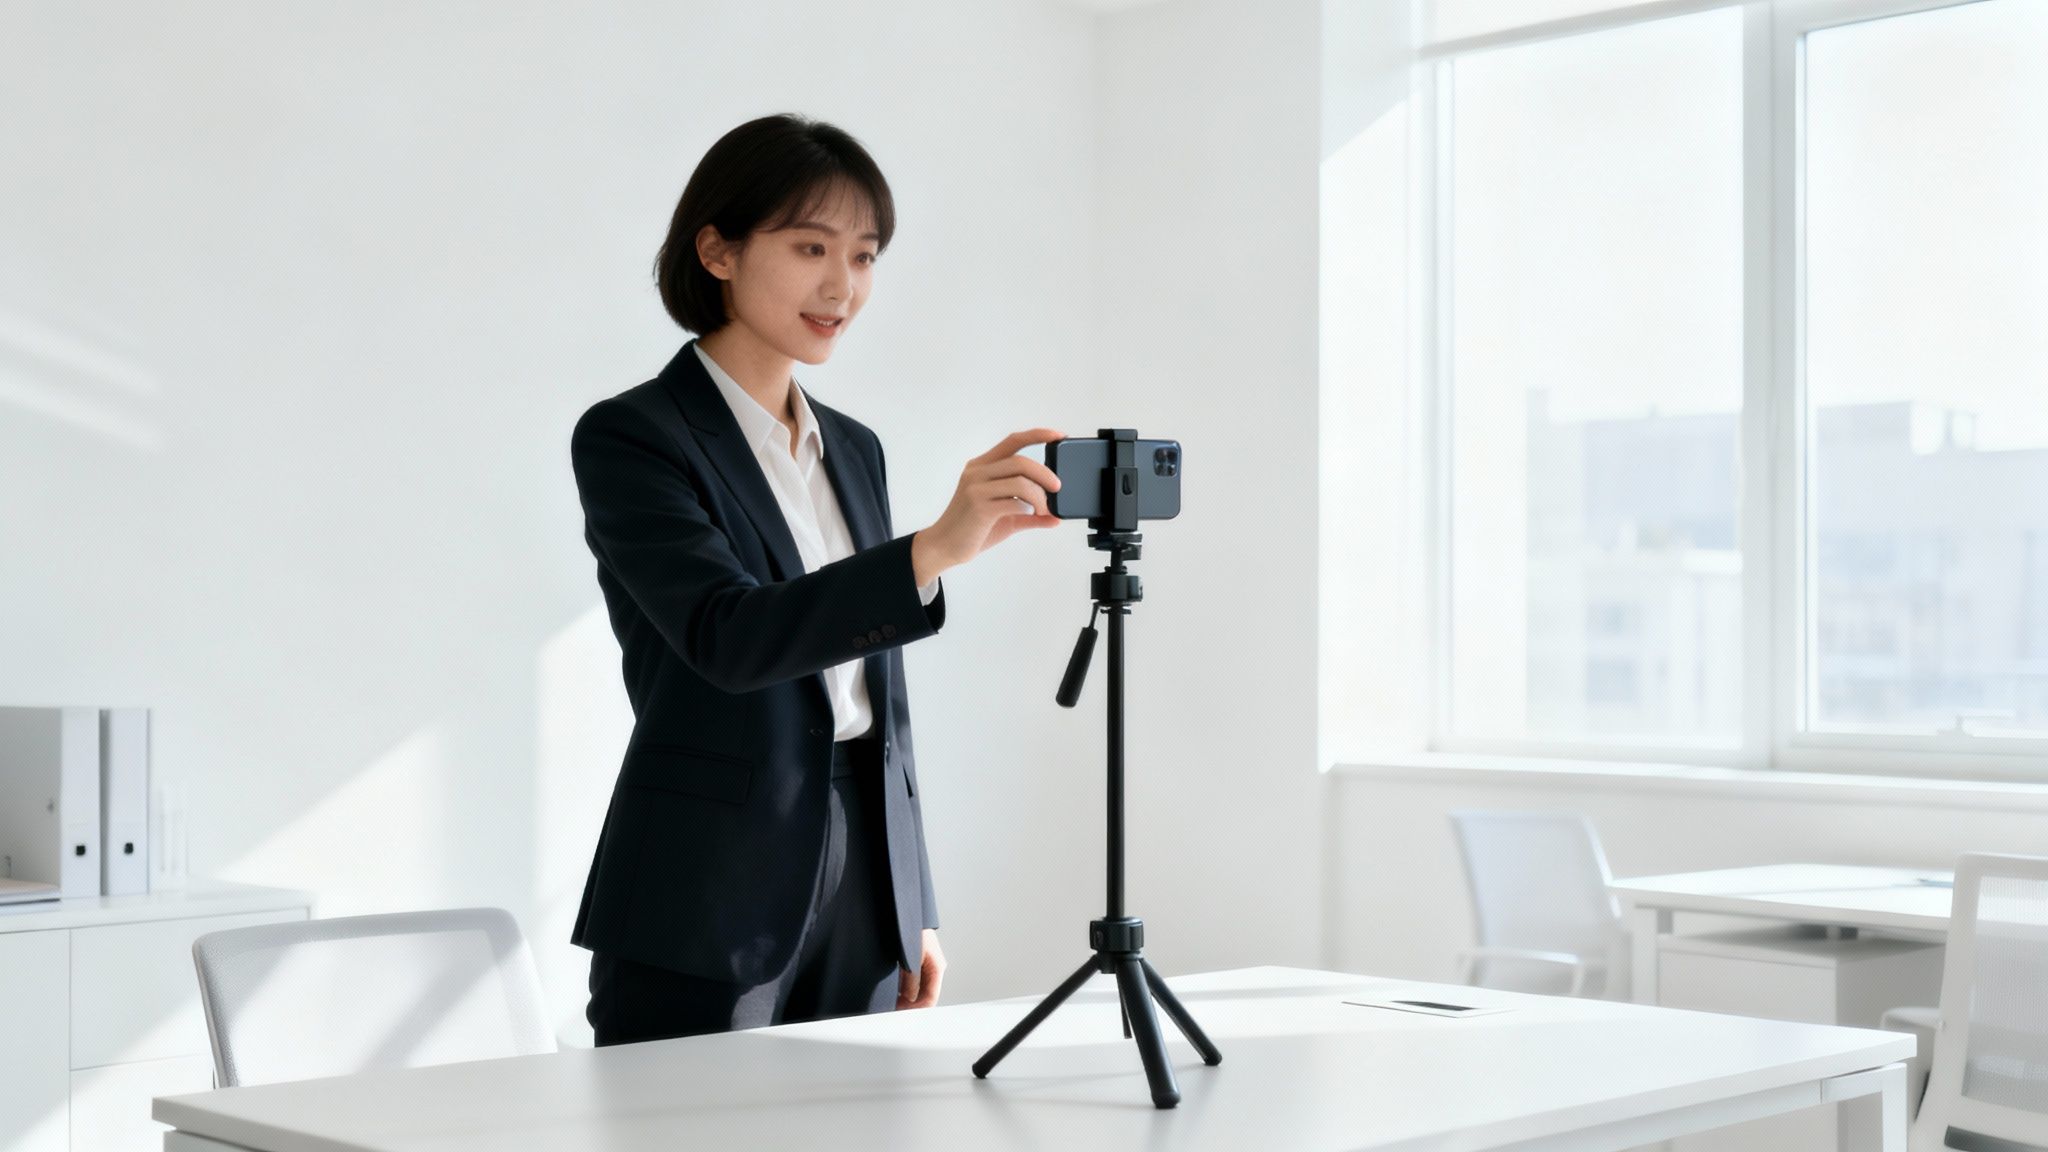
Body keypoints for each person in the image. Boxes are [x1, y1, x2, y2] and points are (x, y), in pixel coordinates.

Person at [569, 112, 1065, 1046]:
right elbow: (728, 634)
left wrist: (908, 896)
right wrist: (930, 551)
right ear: (716, 250)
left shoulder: (854, 447)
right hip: (704, 888)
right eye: (810, 247)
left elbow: (879, 701)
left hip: (861, 877)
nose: (843, 286)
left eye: (866, 256)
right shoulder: (634, 436)